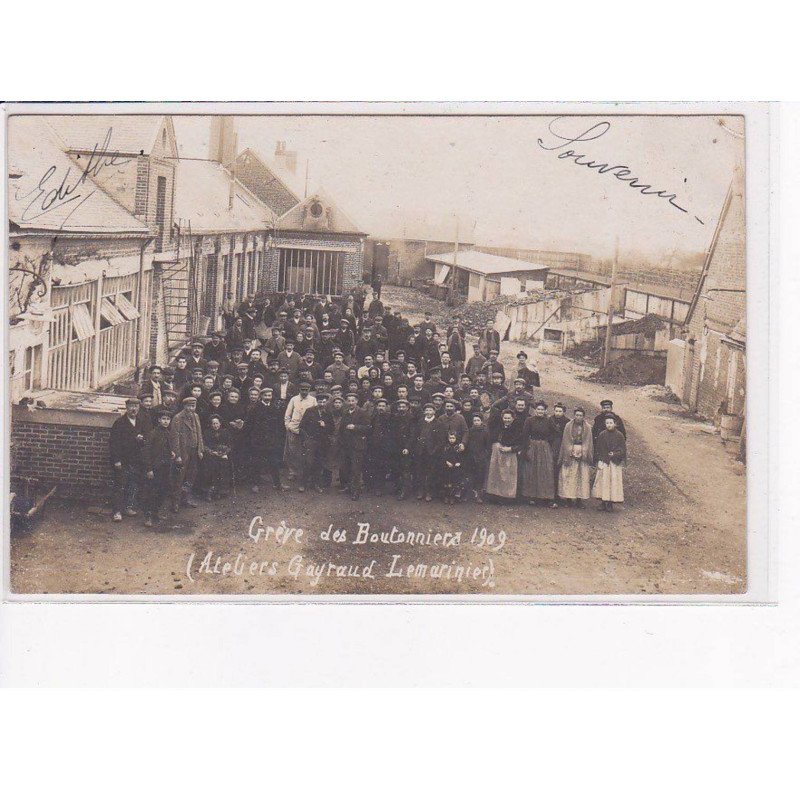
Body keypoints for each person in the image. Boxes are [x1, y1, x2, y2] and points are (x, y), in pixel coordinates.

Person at [109, 397, 147, 521]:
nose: (134, 409)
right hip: (123, 460)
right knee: (120, 485)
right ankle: (117, 511)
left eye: (136, 407)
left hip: (135, 460)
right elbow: (114, 443)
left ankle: (128, 507)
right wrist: (116, 460)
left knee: (133, 484)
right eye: (131, 406)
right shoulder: (120, 423)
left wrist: (142, 440)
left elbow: (145, 441)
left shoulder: (141, 422)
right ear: (127, 408)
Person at [168, 396, 204, 511]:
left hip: (194, 451)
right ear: (184, 406)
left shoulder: (196, 416)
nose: (191, 408)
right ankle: (175, 503)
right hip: (184, 452)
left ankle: (185, 499)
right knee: (179, 477)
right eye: (189, 406)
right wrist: (177, 455)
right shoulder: (178, 418)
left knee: (191, 476)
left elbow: (199, 434)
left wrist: (200, 449)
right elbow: (175, 438)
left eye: (193, 406)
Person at [520, 401, 557, 507]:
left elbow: (555, 433)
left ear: (545, 411)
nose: (540, 411)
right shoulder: (529, 420)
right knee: (531, 470)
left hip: (544, 447)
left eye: (542, 409)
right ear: (535, 410)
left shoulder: (549, 421)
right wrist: (526, 449)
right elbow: (525, 435)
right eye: (538, 409)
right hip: (532, 446)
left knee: (545, 470)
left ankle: (546, 496)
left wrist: (549, 443)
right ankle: (531, 496)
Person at [142, 408, 175, 526]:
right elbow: (146, 452)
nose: (166, 421)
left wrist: (171, 453)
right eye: (164, 419)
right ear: (159, 420)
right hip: (155, 468)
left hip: (165, 467)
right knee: (152, 492)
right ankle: (148, 516)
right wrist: (149, 469)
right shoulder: (153, 433)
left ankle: (156, 513)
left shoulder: (168, 433)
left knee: (163, 491)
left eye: (168, 419)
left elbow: (168, 447)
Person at [557, 407, 594, 507]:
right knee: (569, 475)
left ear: (583, 416)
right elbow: (565, 440)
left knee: (580, 476)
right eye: (577, 415)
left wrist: (583, 452)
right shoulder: (568, 426)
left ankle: (579, 500)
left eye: (580, 415)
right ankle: (568, 498)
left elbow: (589, 442)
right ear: (574, 415)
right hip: (570, 452)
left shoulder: (587, 427)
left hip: (582, 451)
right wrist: (571, 450)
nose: (578, 417)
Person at [283, 380, 317, 488]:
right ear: (299, 390)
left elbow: (316, 414)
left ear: (309, 390)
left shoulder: (313, 400)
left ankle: (304, 474)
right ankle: (293, 472)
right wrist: (288, 426)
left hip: (306, 430)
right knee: (293, 451)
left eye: (306, 390)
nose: (304, 392)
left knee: (305, 452)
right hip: (294, 429)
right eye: (302, 390)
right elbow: (287, 415)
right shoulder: (294, 399)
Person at [485, 409, 523, 501]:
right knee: (496, 473)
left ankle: (507, 497)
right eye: (505, 418)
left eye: (509, 418)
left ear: (513, 419)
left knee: (508, 475)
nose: (507, 420)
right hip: (497, 454)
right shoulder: (498, 428)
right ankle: (495, 496)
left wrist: (510, 449)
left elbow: (522, 443)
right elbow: (492, 438)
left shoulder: (517, 429)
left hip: (510, 454)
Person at [339, 393, 371, 500]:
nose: (351, 403)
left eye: (353, 401)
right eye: (349, 401)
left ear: (357, 401)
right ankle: (349, 487)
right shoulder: (345, 412)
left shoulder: (362, 412)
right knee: (346, 467)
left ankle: (355, 491)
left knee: (355, 469)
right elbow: (342, 429)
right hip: (346, 445)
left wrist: (355, 427)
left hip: (357, 446)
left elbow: (368, 428)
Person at [592, 416, 627, 511]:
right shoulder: (602, 435)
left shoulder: (619, 435)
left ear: (615, 424)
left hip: (614, 463)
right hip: (604, 461)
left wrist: (615, 454)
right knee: (603, 481)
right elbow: (598, 448)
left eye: (611, 423)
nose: (609, 425)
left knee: (612, 481)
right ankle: (603, 502)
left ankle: (610, 503)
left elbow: (623, 450)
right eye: (607, 423)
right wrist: (600, 458)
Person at [299, 391, 329, 493]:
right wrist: (306, 439)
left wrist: (325, 426)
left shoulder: (328, 413)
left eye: (324, 402)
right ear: (317, 401)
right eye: (320, 402)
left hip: (322, 442)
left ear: (326, 402)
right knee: (308, 462)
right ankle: (303, 483)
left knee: (319, 463)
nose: (322, 404)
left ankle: (316, 484)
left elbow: (332, 428)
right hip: (310, 441)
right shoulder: (310, 411)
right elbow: (301, 427)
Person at [413, 403, 440, 502]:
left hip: (432, 452)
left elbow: (440, 440)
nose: (428, 412)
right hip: (420, 451)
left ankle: (429, 492)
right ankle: (420, 491)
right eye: (427, 410)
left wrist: (434, 451)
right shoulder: (420, 422)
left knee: (431, 472)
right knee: (420, 471)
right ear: (424, 412)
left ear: (434, 411)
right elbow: (415, 436)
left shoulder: (438, 423)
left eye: (431, 410)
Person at [202, 415, 232, 499]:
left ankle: (222, 491)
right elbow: (204, 445)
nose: (215, 425)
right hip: (211, 456)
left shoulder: (225, 432)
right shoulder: (207, 433)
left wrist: (225, 452)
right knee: (211, 470)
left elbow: (229, 445)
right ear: (211, 424)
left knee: (223, 470)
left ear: (220, 423)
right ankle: (211, 492)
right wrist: (212, 452)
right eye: (213, 424)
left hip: (223, 456)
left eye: (217, 423)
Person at [465, 411, 491, 503]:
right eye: (474, 420)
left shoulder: (485, 431)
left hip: (481, 457)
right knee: (471, 475)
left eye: (478, 420)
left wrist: (485, 455)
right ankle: (470, 494)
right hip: (471, 456)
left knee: (480, 475)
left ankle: (479, 495)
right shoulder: (470, 431)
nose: (476, 422)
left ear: (481, 421)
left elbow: (488, 445)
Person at [549, 402, 570, 505]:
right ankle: (551, 494)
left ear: (564, 412)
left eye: (560, 411)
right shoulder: (550, 420)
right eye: (556, 411)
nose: (557, 413)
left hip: (563, 446)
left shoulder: (567, 422)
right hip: (551, 446)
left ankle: (561, 494)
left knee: (561, 471)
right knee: (552, 470)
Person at [441, 431, 465, 505]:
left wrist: (459, 463)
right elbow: (443, 456)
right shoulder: (446, 446)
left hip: (455, 467)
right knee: (447, 481)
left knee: (454, 481)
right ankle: (446, 496)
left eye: (453, 438)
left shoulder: (458, 447)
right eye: (450, 438)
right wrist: (446, 462)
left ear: (456, 438)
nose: (451, 440)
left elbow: (461, 457)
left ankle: (452, 497)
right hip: (447, 466)